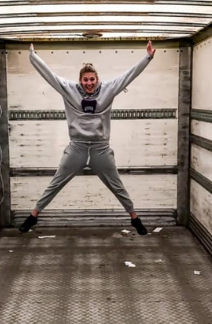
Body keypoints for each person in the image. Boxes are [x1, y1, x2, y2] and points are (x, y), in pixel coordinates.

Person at [18, 41, 156, 235]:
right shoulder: (69, 89)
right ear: (80, 80)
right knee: (56, 183)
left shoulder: (108, 89)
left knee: (117, 186)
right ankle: (33, 216)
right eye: (86, 80)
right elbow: (49, 75)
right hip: (77, 148)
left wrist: (147, 57)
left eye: (92, 79)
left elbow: (128, 76)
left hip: (100, 148)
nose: (89, 83)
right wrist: (33, 56)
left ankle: (135, 218)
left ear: (97, 79)